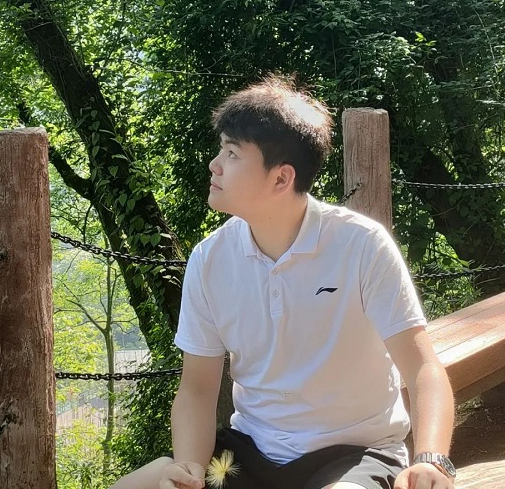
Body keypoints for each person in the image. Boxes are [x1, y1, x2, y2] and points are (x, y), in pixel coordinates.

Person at [111, 76, 455, 489]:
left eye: (232, 153)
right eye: (221, 149)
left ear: (281, 178)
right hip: (248, 454)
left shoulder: (361, 245)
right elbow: (197, 389)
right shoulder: (209, 259)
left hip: (355, 453)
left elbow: (422, 368)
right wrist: (189, 466)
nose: (215, 164)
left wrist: (432, 460)